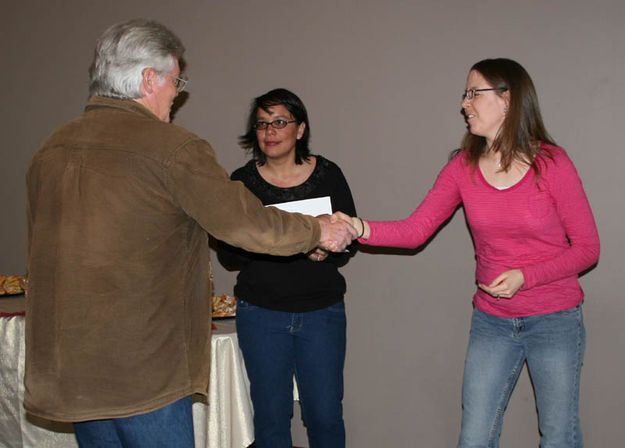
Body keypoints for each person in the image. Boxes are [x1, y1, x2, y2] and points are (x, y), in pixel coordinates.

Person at [24, 19, 356, 448]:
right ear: (149, 79)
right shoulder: (172, 149)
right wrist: (317, 230)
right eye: (175, 81)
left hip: (75, 371)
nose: (177, 93)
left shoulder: (51, 149)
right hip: (145, 371)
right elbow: (245, 225)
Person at [338, 58, 600, 447]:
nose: (465, 104)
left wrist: (526, 277)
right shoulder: (463, 167)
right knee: (474, 437)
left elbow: (588, 249)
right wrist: (357, 227)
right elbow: (415, 230)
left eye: (473, 93)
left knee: (559, 436)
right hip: (493, 322)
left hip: (555, 319)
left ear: (507, 100)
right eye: (465, 95)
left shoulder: (552, 164)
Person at [217, 88, 355, 448]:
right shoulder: (241, 182)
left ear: (300, 129)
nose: (270, 132)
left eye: (280, 122)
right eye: (262, 124)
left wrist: (328, 250)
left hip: (322, 311)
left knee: (325, 414)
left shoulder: (328, 174)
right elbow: (229, 254)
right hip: (261, 313)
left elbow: (347, 241)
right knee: (270, 415)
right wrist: (286, 244)